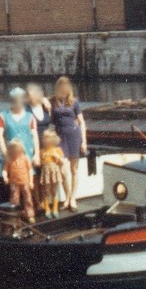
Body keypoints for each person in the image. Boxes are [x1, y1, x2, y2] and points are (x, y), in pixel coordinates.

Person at [50, 76, 87, 212]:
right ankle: (67, 196)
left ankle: (72, 198)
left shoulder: (74, 102)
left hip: (74, 135)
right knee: (63, 169)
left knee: (74, 169)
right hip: (60, 138)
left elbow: (82, 122)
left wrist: (84, 141)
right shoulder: (53, 101)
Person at [0, 86, 40, 169]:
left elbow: (35, 136)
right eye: (15, 99)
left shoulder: (30, 116)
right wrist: (5, 153)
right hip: (10, 154)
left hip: (28, 153)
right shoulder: (3, 116)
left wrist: (37, 154)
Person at [27, 83, 52, 208]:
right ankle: (37, 201)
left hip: (46, 143)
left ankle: (45, 199)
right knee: (36, 173)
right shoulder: (26, 108)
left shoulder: (44, 105)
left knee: (46, 172)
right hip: (33, 143)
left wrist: (45, 100)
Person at [3, 139, 35, 223]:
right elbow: (5, 170)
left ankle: (30, 214)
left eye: (17, 151)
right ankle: (15, 215)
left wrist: (31, 181)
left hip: (25, 181)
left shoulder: (25, 158)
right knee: (14, 198)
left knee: (27, 198)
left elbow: (30, 170)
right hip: (14, 182)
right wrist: (5, 177)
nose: (15, 154)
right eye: (13, 152)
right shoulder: (9, 160)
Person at [39, 129, 65, 219]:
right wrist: (42, 159)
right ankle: (47, 209)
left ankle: (55, 209)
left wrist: (56, 156)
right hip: (46, 172)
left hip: (55, 172)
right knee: (46, 191)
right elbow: (40, 164)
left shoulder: (57, 150)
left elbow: (62, 162)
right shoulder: (42, 151)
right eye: (45, 139)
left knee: (54, 191)